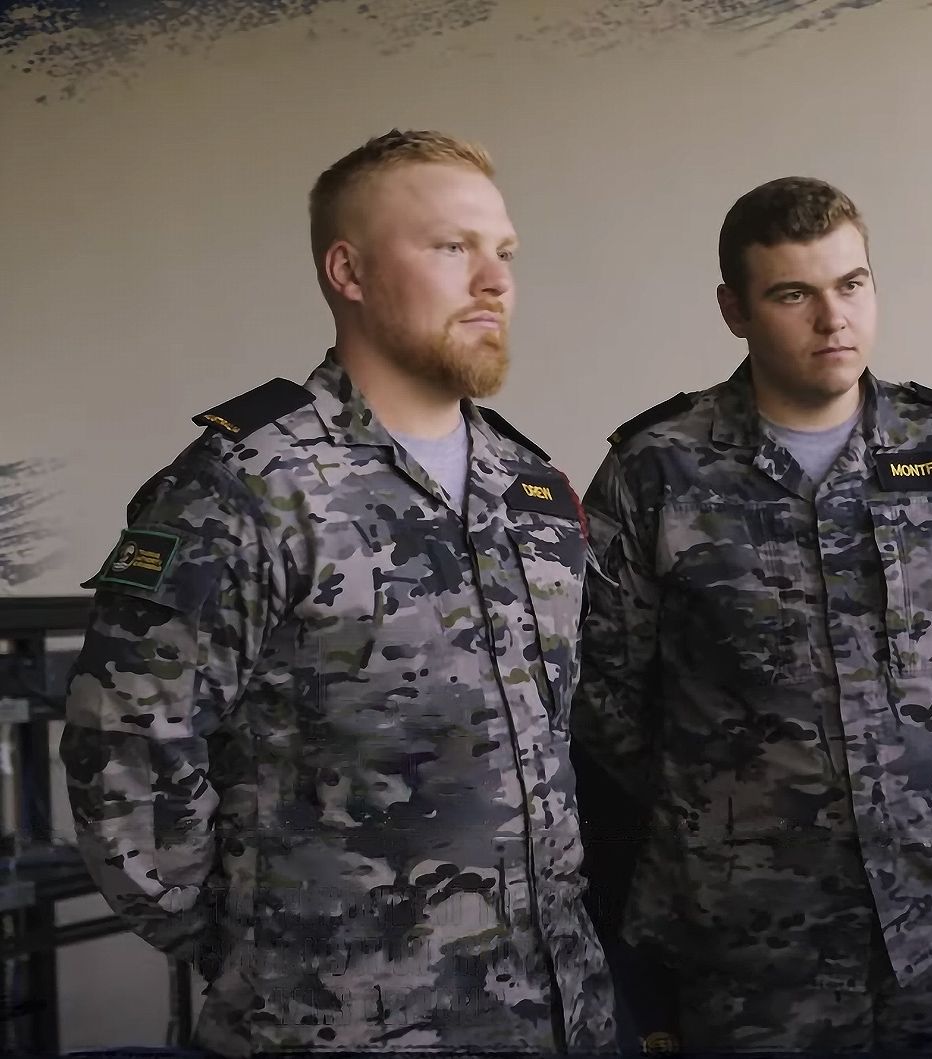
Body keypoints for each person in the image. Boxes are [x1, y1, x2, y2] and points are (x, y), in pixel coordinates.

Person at [59, 129, 617, 1056]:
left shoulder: (533, 488)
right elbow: (125, 754)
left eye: (504, 251)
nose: (495, 280)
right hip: (333, 1023)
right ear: (347, 271)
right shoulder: (244, 486)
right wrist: (259, 947)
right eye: (452, 247)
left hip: (559, 1015)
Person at [571, 176, 932, 1053]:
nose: (834, 320)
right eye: (794, 294)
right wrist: (725, 801)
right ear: (735, 309)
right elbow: (604, 688)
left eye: (852, 285)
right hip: (752, 939)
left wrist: (919, 768)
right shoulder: (658, 472)